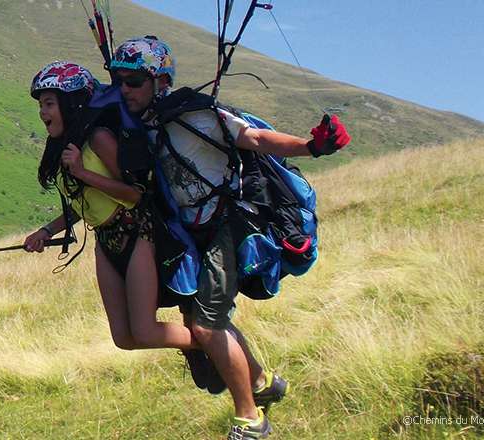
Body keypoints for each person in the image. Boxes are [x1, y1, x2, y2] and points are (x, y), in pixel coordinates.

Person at [108, 36, 351, 438]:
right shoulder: (139, 126)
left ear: (160, 81)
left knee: (206, 326)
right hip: (190, 236)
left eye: (133, 81)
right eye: (118, 81)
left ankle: (251, 419)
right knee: (199, 319)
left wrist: (312, 147)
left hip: (225, 226)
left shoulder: (200, 115)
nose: (124, 89)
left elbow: (254, 139)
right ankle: (262, 382)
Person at [21, 61, 201, 359]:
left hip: (137, 232)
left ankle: (210, 343)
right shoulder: (68, 147)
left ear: (71, 102)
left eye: (49, 104)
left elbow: (135, 195)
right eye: (41, 105)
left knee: (143, 331)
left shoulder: (98, 139)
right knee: (124, 338)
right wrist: (45, 231)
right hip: (105, 240)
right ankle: (199, 347)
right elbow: (85, 205)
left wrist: (82, 172)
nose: (43, 113)